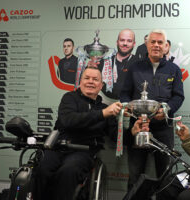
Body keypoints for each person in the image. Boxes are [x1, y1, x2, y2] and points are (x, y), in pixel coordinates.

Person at [33, 67, 124, 200]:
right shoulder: (69, 98)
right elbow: (69, 121)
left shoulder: (105, 109)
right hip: (57, 147)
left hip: (84, 151)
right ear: (80, 82)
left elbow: (116, 136)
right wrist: (102, 114)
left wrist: (133, 131)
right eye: (87, 78)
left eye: (95, 79)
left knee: (68, 171)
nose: (90, 82)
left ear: (101, 85)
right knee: (43, 169)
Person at [120, 29, 185, 196]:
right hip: (138, 127)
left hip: (163, 130)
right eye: (153, 42)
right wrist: (127, 107)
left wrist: (166, 109)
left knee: (165, 176)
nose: (156, 45)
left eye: (160, 43)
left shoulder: (174, 70)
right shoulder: (134, 68)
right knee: (135, 175)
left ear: (165, 47)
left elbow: (178, 96)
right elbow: (125, 93)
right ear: (147, 45)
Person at [88, 28, 137, 105]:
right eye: (122, 40)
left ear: (134, 44)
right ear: (117, 42)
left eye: (129, 41)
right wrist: (89, 68)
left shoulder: (139, 63)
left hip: (128, 104)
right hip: (103, 102)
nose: (125, 43)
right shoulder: (103, 61)